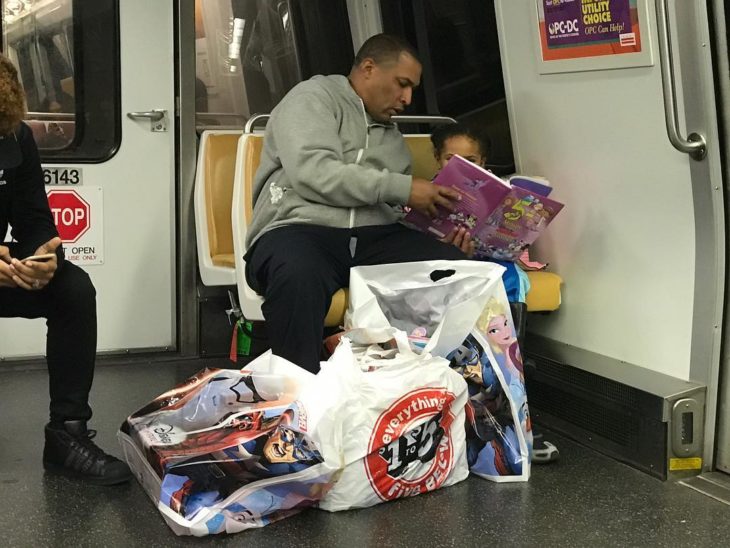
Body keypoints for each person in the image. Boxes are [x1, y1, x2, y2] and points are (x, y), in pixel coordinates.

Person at [244, 33, 472, 374]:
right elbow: (314, 173)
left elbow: (392, 211)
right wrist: (403, 188)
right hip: (298, 229)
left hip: (372, 237)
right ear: (368, 68)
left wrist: (435, 236)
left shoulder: (392, 140)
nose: (408, 98)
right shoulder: (313, 99)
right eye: (402, 84)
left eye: (411, 89)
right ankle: (296, 398)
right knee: (298, 274)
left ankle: (451, 385)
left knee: (454, 267)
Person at [0, 53, 131, 485]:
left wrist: (43, 257)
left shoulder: (15, 135)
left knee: (73, 288)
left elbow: (34, 214)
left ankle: (66, 433)